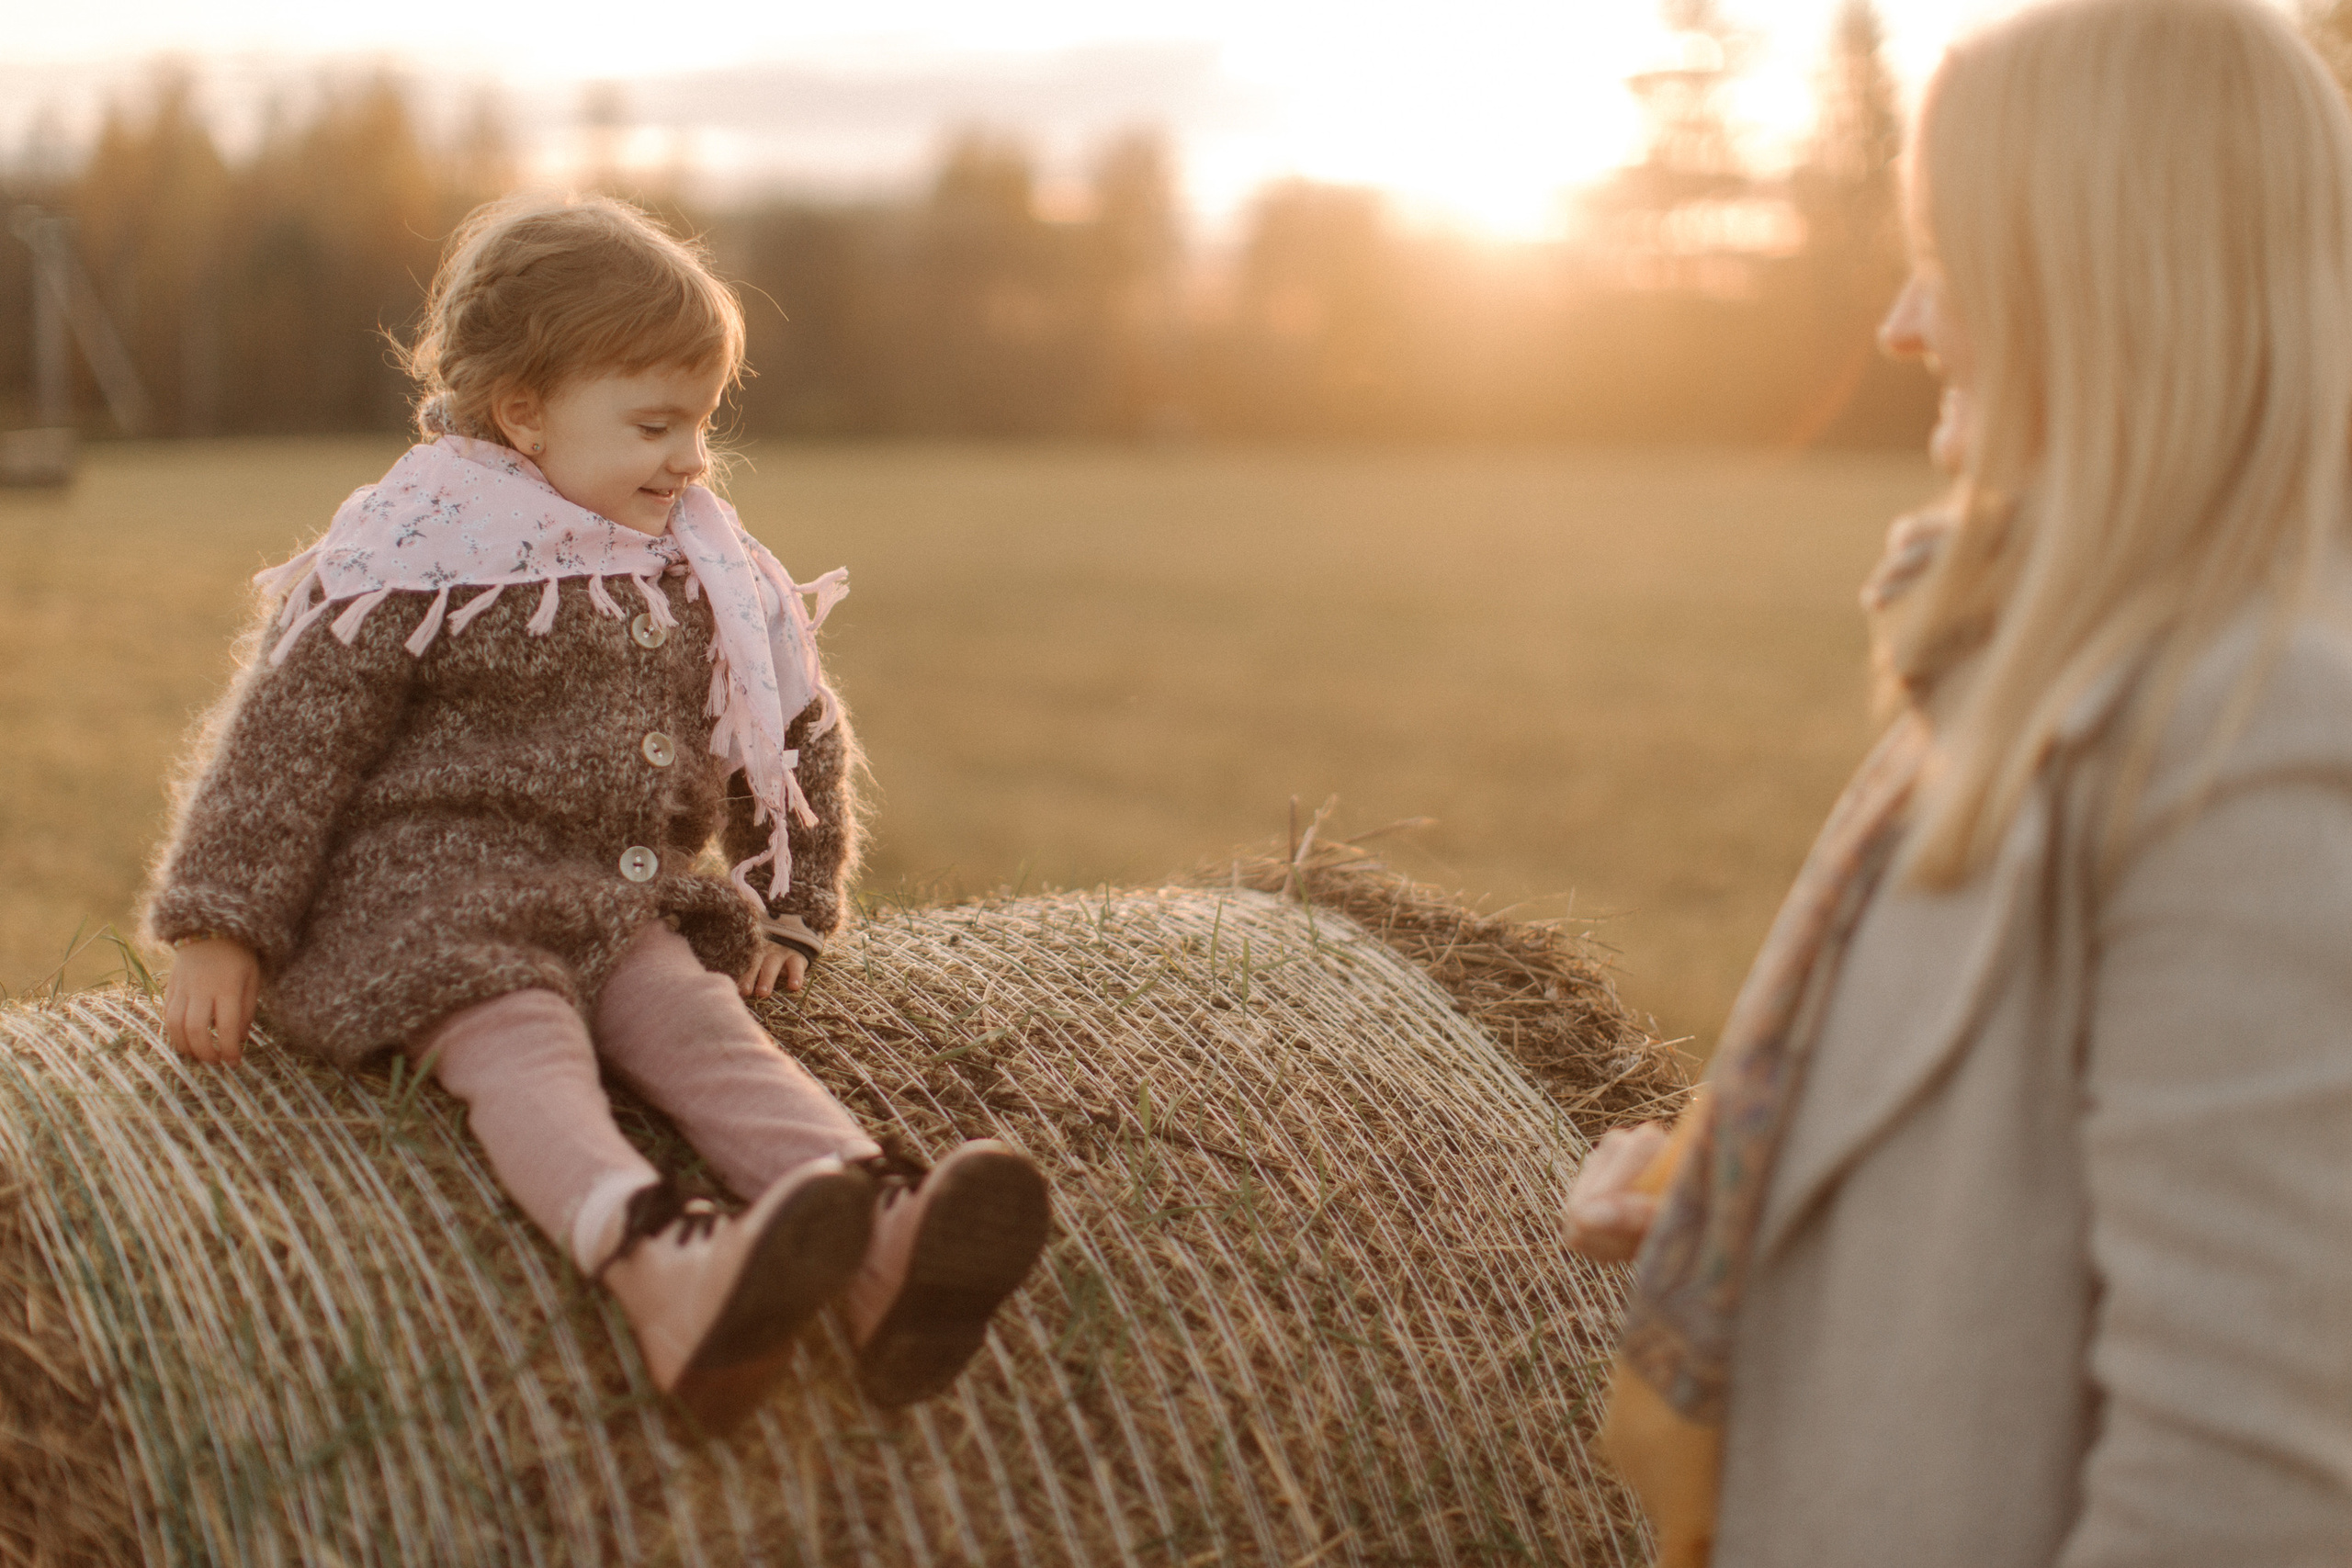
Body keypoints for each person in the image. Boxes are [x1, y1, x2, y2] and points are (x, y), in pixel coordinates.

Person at [1563, 1, 2352, 1562]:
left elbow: (2241, 1496)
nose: (1905, 323)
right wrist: (1743, 1198)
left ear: (2110, 291)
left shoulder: (2249, 750)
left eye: (1954, 252)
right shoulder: (2017, 695)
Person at [145, 193, 1051, 1435]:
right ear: (524, 412)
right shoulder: (418, 548)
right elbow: (286, 744)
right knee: (525, 1045)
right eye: (654, 423)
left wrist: (792, 902)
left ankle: (877, 1228)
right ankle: (660, 1268)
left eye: (704, 423)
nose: (692, 458)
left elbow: (779, 727)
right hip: (427, 912)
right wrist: (220, 926)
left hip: (617, 901)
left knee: (703, 1023)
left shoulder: (696, 560)